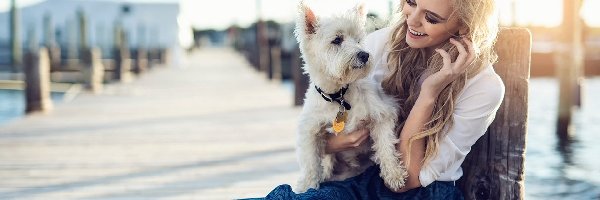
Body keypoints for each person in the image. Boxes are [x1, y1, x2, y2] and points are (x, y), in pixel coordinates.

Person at [246, 0, 504, 199]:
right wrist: (333, 144)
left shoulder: (484, 88)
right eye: (411, 2)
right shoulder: (381, 43)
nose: (411, 20)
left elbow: (407, 181)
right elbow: (333, 118)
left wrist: (429, 93)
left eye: (431, 18)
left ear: (464, 25)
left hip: (425, 192)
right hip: (361, 181)